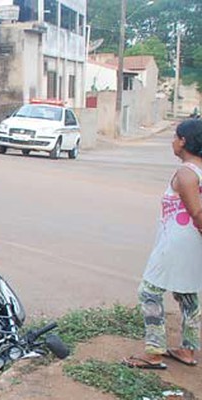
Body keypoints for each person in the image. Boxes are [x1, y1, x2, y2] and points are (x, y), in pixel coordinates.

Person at [123, 119, 202, 369]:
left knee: (149, 292)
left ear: (184, 142)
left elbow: (197, 213)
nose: (173, 142)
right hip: (191, 243)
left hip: (178, 242)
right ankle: (188, 350)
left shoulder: (186, 173)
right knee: (187, 295)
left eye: (175, 137)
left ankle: (154, 352)